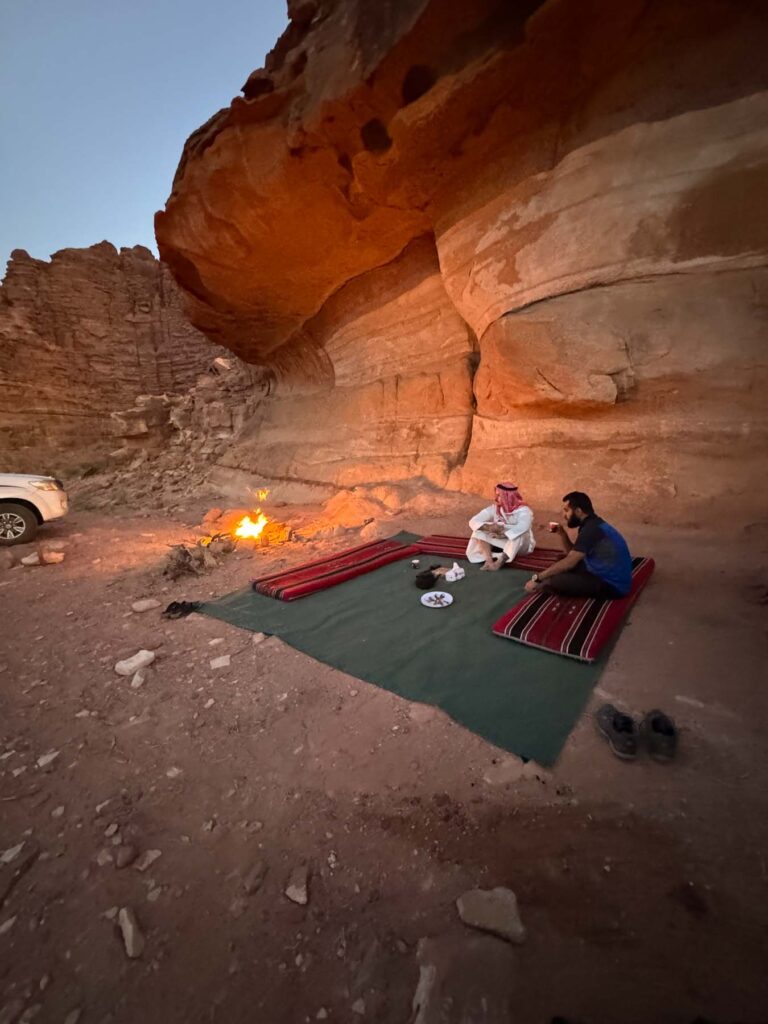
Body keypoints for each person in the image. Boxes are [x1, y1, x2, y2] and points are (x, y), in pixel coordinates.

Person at [524, 491, 632, 598]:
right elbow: (572, 554)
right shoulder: (592, 523)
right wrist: (562, 534)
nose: (564, 515)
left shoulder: (591, 530)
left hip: (613, 586)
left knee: (556, 581)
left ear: (578, 511)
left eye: (566, 510)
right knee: (561, 562)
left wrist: (538, 578)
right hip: (602, 571)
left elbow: (569, 563)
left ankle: (543, 586)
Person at [467, 483, 535, 572]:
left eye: (499, 495)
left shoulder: (524, 510)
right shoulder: (495, 508)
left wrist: (504, 534)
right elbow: (473, 521)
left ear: (509, 497)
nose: (496, 498)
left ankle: (498, 563)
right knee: (479, 530)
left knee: (520, 533)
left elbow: (523, 526)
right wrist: (488, 527)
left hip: (521, 546)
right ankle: (488, 561)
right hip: (503, 542)